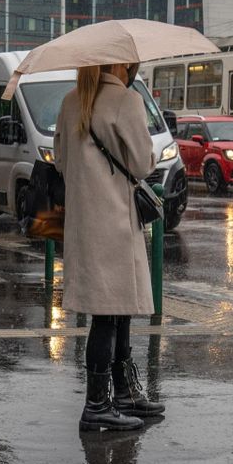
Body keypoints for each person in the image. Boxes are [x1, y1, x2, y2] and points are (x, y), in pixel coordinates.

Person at [54, 63, 165, 432]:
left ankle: (123, 392)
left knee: (112, 309)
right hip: (116, 220)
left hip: (85, 222)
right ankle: (98, 404)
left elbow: (62, 163)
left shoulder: (72, 101)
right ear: (119, 64)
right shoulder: (125, 99)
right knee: (112, 313)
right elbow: (143, 163)